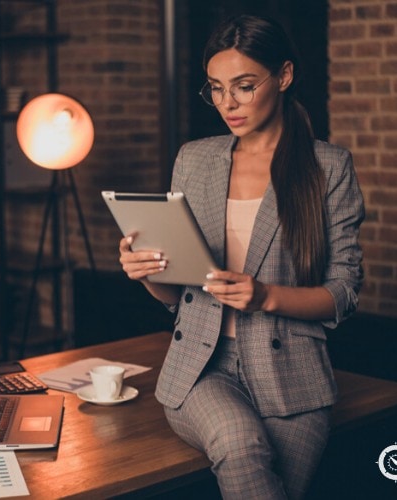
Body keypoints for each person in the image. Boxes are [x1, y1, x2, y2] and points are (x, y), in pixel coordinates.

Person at [118, 14, 365, 499]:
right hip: (202, 370)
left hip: (293, 379)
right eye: (215, 89)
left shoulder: (327, 167)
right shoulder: (194, 158)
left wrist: (266, 296)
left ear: (285, 76)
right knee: (241, 442)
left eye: (244, 86)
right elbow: (177, 294)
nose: (227, 103)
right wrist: (145, 272)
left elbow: (344, 293)